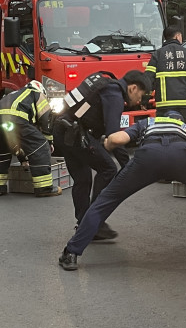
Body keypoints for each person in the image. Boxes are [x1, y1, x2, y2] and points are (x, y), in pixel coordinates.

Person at [57, 111, 186, 271]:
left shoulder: (147, 123)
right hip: (182, 157)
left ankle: (71, 253)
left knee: (106, 199)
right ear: (179, 120)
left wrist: (107, 143)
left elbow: (117, 138)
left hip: (148, 159)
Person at [54, 69, 152, 242]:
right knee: (108, 168)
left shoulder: (107, 85)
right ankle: (94, 222)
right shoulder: (114, 95)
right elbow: (113, 135)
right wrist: (127, 164)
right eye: (141, 95)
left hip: (63, 130)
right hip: (75, 134)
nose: (139, 101)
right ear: (133, 88)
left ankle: (85, 224)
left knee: (83, 179)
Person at [0, 75, 60, 197]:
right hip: (16, 119)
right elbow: (46, 118)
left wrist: (23, 159)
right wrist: (49, 141)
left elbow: (17, 143)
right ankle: (44, 188)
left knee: (3, 151)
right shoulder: (36, 93)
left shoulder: (15, 94)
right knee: (40, 146)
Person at [144, 26, 186, 126]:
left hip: (164, 106)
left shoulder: (158, 55)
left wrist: (144, 100)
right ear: (177, 36)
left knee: (165, 133)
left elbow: (148, 80)